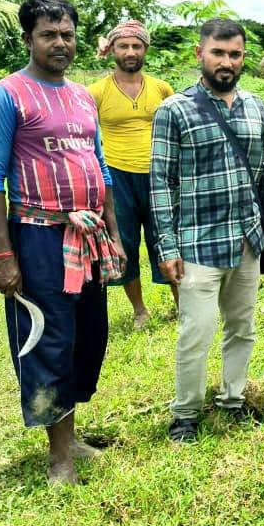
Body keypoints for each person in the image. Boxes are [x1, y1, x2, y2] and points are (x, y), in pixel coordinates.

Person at [0, 0, 125, 486]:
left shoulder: (83, 95)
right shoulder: (6, 95)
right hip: (37, 237)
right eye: (48, 35)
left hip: (89, 236)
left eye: (67, 34)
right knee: (49, 338)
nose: (60, 43)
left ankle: (72, 434)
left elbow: (101, 167)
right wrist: (2, 255)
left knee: (87, 336)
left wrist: (116, 235)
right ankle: (59, 455)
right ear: (28, 39)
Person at [150, 18, 264, 444]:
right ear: (200, 54)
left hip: (247, 238)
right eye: (218, 53)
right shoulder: (175, 110)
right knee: (197, 332)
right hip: (197, 242)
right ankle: (186, 414)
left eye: (235, 54)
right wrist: (167, 246)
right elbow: (160, 182)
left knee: (242, 327)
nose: (227, 62)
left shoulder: (256, 106)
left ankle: (233, 399)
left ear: (244, 57)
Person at [87, 20, 176, 329]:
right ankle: (140, 310)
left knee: (165, 238)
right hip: (115, 177)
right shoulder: (96, 92)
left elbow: (175, 130)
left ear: (145, 50)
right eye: (123, 45)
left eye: (136, 46)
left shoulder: (162, 88)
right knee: (123, 241)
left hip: (158, 175)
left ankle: (182, 305)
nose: (130, 51)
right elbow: (85, 135)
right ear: (112, 49)